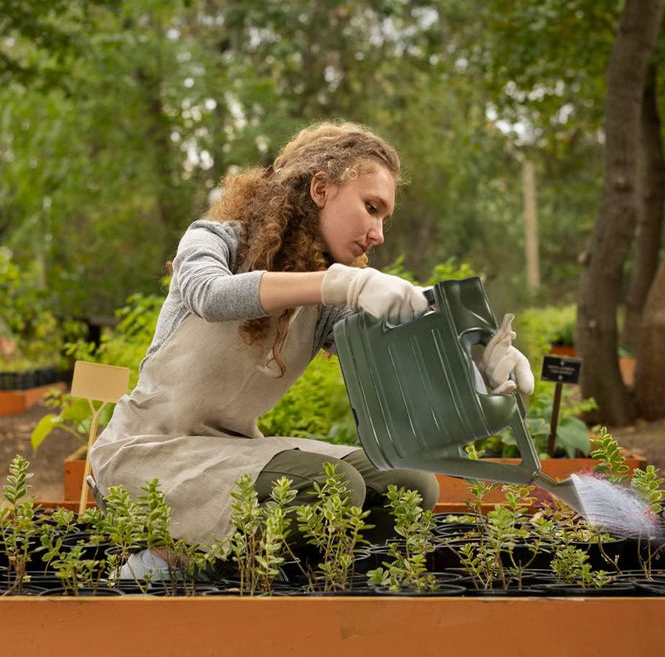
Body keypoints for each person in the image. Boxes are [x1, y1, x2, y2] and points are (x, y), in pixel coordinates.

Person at [89, 121, 533, 580]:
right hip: (148, 454)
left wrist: (477, 354)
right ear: (321, 188)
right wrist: (342, 283)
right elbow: (210, 295)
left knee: (409, 484)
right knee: (330, 488)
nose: (378, 232)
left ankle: (293, 576)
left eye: (385, 218)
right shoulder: (214, 240)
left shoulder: (322, 303)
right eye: (371, 207)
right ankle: (167, 562)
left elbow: (398, 340)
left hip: (231, 454)